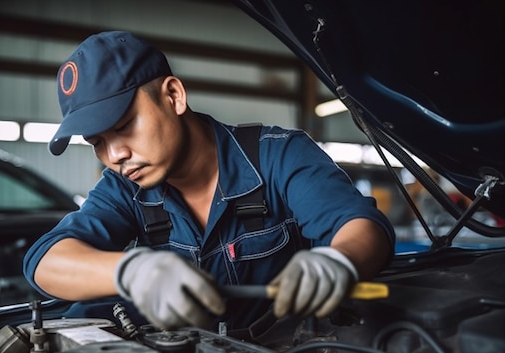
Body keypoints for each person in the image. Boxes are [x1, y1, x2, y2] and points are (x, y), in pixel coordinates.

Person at [23, 30, 395, 333]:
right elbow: (45, 260)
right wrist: (130, 271)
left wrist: (337, 262)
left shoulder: (278, 156)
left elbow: (360, 225)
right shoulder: (125, 188)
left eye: (122, 127)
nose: (115, 155)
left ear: (173, 96)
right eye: (97, 143)